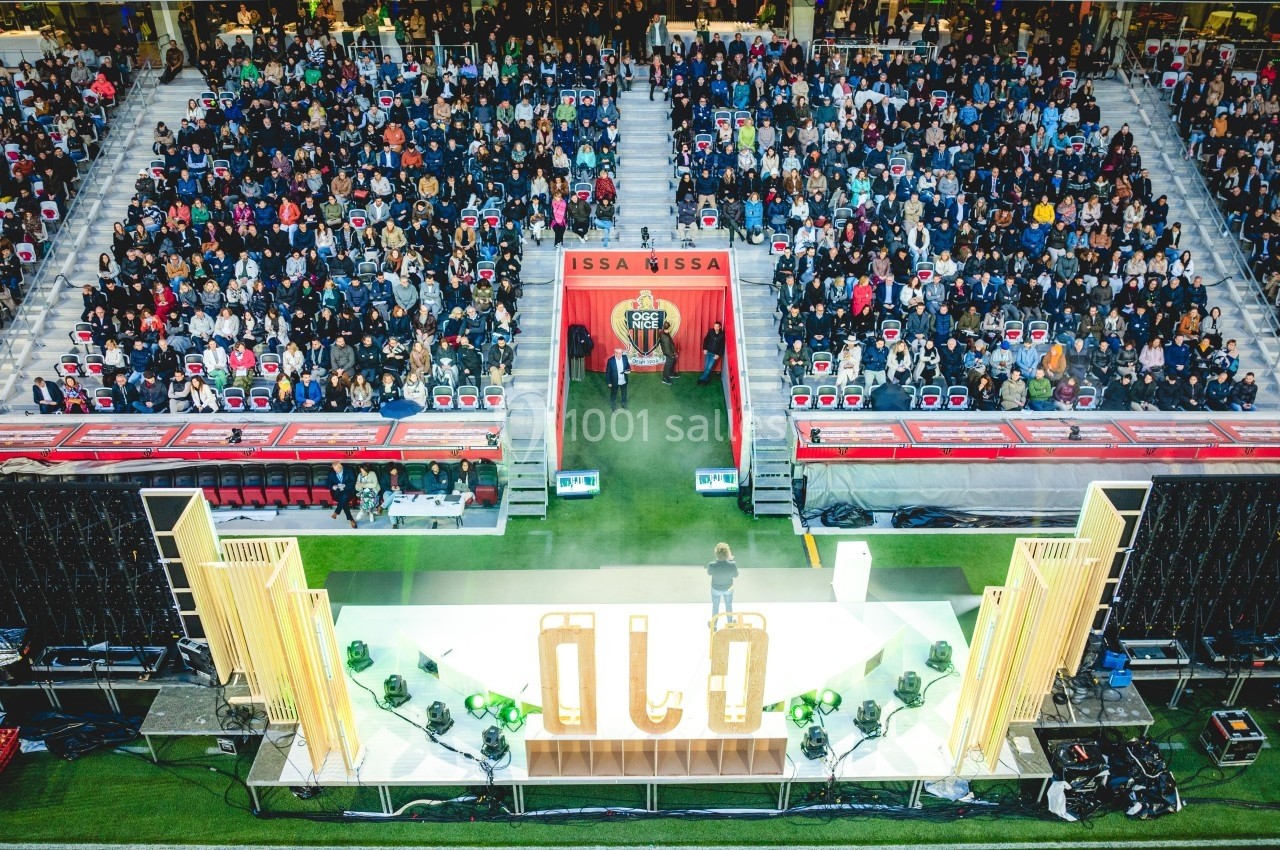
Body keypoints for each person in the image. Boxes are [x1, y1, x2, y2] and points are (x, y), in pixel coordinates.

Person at [707, 541, 738, 624]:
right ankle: (730, 622)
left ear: (716, 553)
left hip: (715, 588)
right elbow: (736, 575)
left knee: (715, 606)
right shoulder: (732, 565)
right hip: (728, 589)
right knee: (728, 604)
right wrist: (730, 560)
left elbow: (709, 573)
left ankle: (714, 624)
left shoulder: (711, 565)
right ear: (727, 554)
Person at [327, 461, 357, 528]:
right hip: (337, 493)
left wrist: (344, 486)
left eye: (337, 469)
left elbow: (353, 481)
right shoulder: (332, 473)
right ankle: (350, 519)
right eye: (335, 469)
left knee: (344, 497)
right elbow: (328, 484)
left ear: (341, 467)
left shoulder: (349, 471)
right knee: (344, 500)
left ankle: (337, 512)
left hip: (349, 491)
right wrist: (333, 487)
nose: (336, 471)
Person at [605, 346, 631, 410]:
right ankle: (613, 406)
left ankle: (624, 404)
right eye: (617, 353)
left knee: (624, 393)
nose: (619, 355)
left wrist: (628, 370)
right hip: (614, 381)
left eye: (620, 353)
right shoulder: (611, 361)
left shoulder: (625, 358)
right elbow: (608, 372)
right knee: (613, 394)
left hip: (623, 380)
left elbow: (628, 367)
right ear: (615, 353)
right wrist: (609, 382)